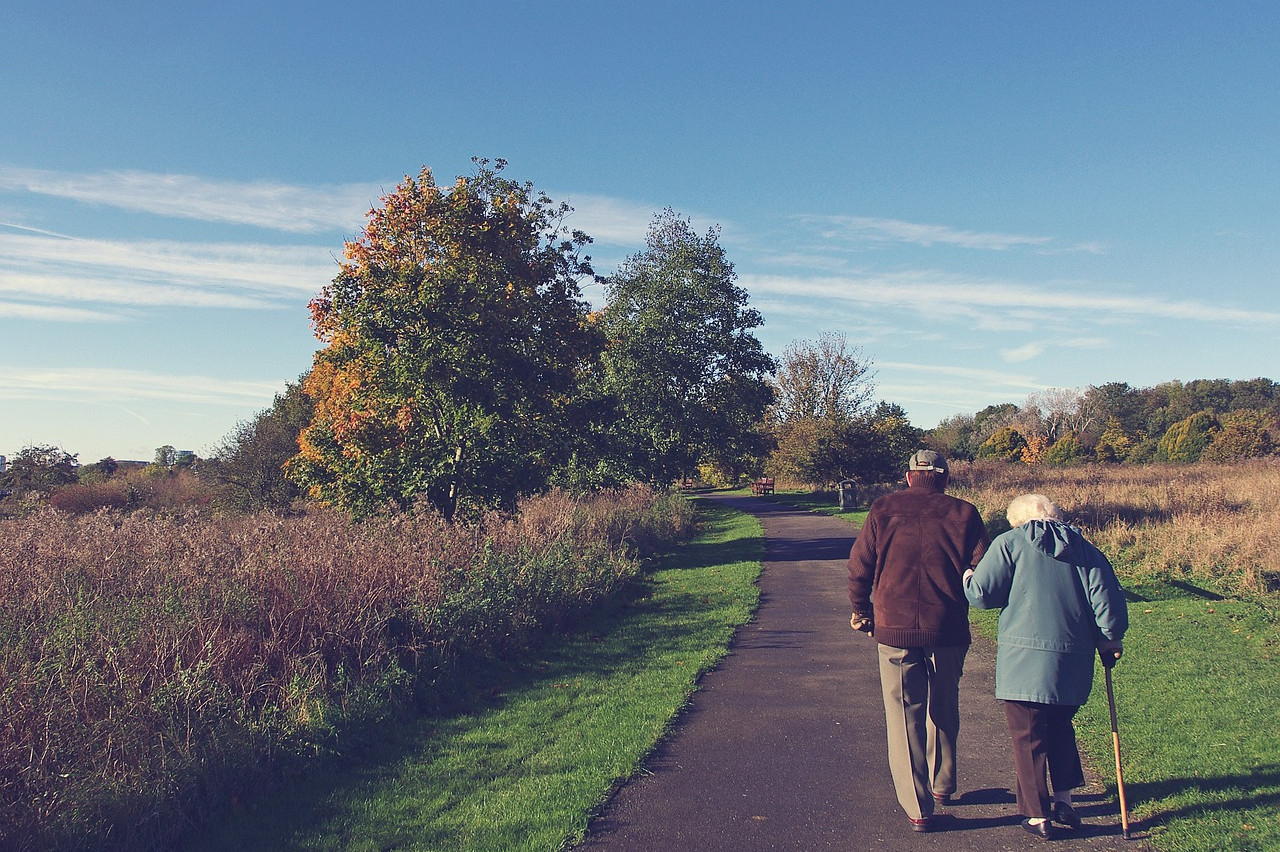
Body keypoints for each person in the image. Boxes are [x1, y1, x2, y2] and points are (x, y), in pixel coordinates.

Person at [963, 494, 1128, 841]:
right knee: (1060, 727)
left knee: (1028, 735)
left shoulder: (1010, 543)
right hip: (1073, 660)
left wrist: (967, 576)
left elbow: (981, 594)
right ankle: (1065, 800)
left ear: (1018, 521)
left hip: (1023, 660)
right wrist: (1111, 639)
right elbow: (1107, 602)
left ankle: (1037, 814)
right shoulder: (1085, 548)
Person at [847, 449, 990, 833]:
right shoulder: (965, 513)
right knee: (945, 704)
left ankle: (918, 807)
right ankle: (943, 783)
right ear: (945, 478)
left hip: (893, 626)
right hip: (948, 626)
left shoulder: (883, 508)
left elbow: (859, 564)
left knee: (904, 714)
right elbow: (983, 569)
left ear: (909, 477)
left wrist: (862, 609)